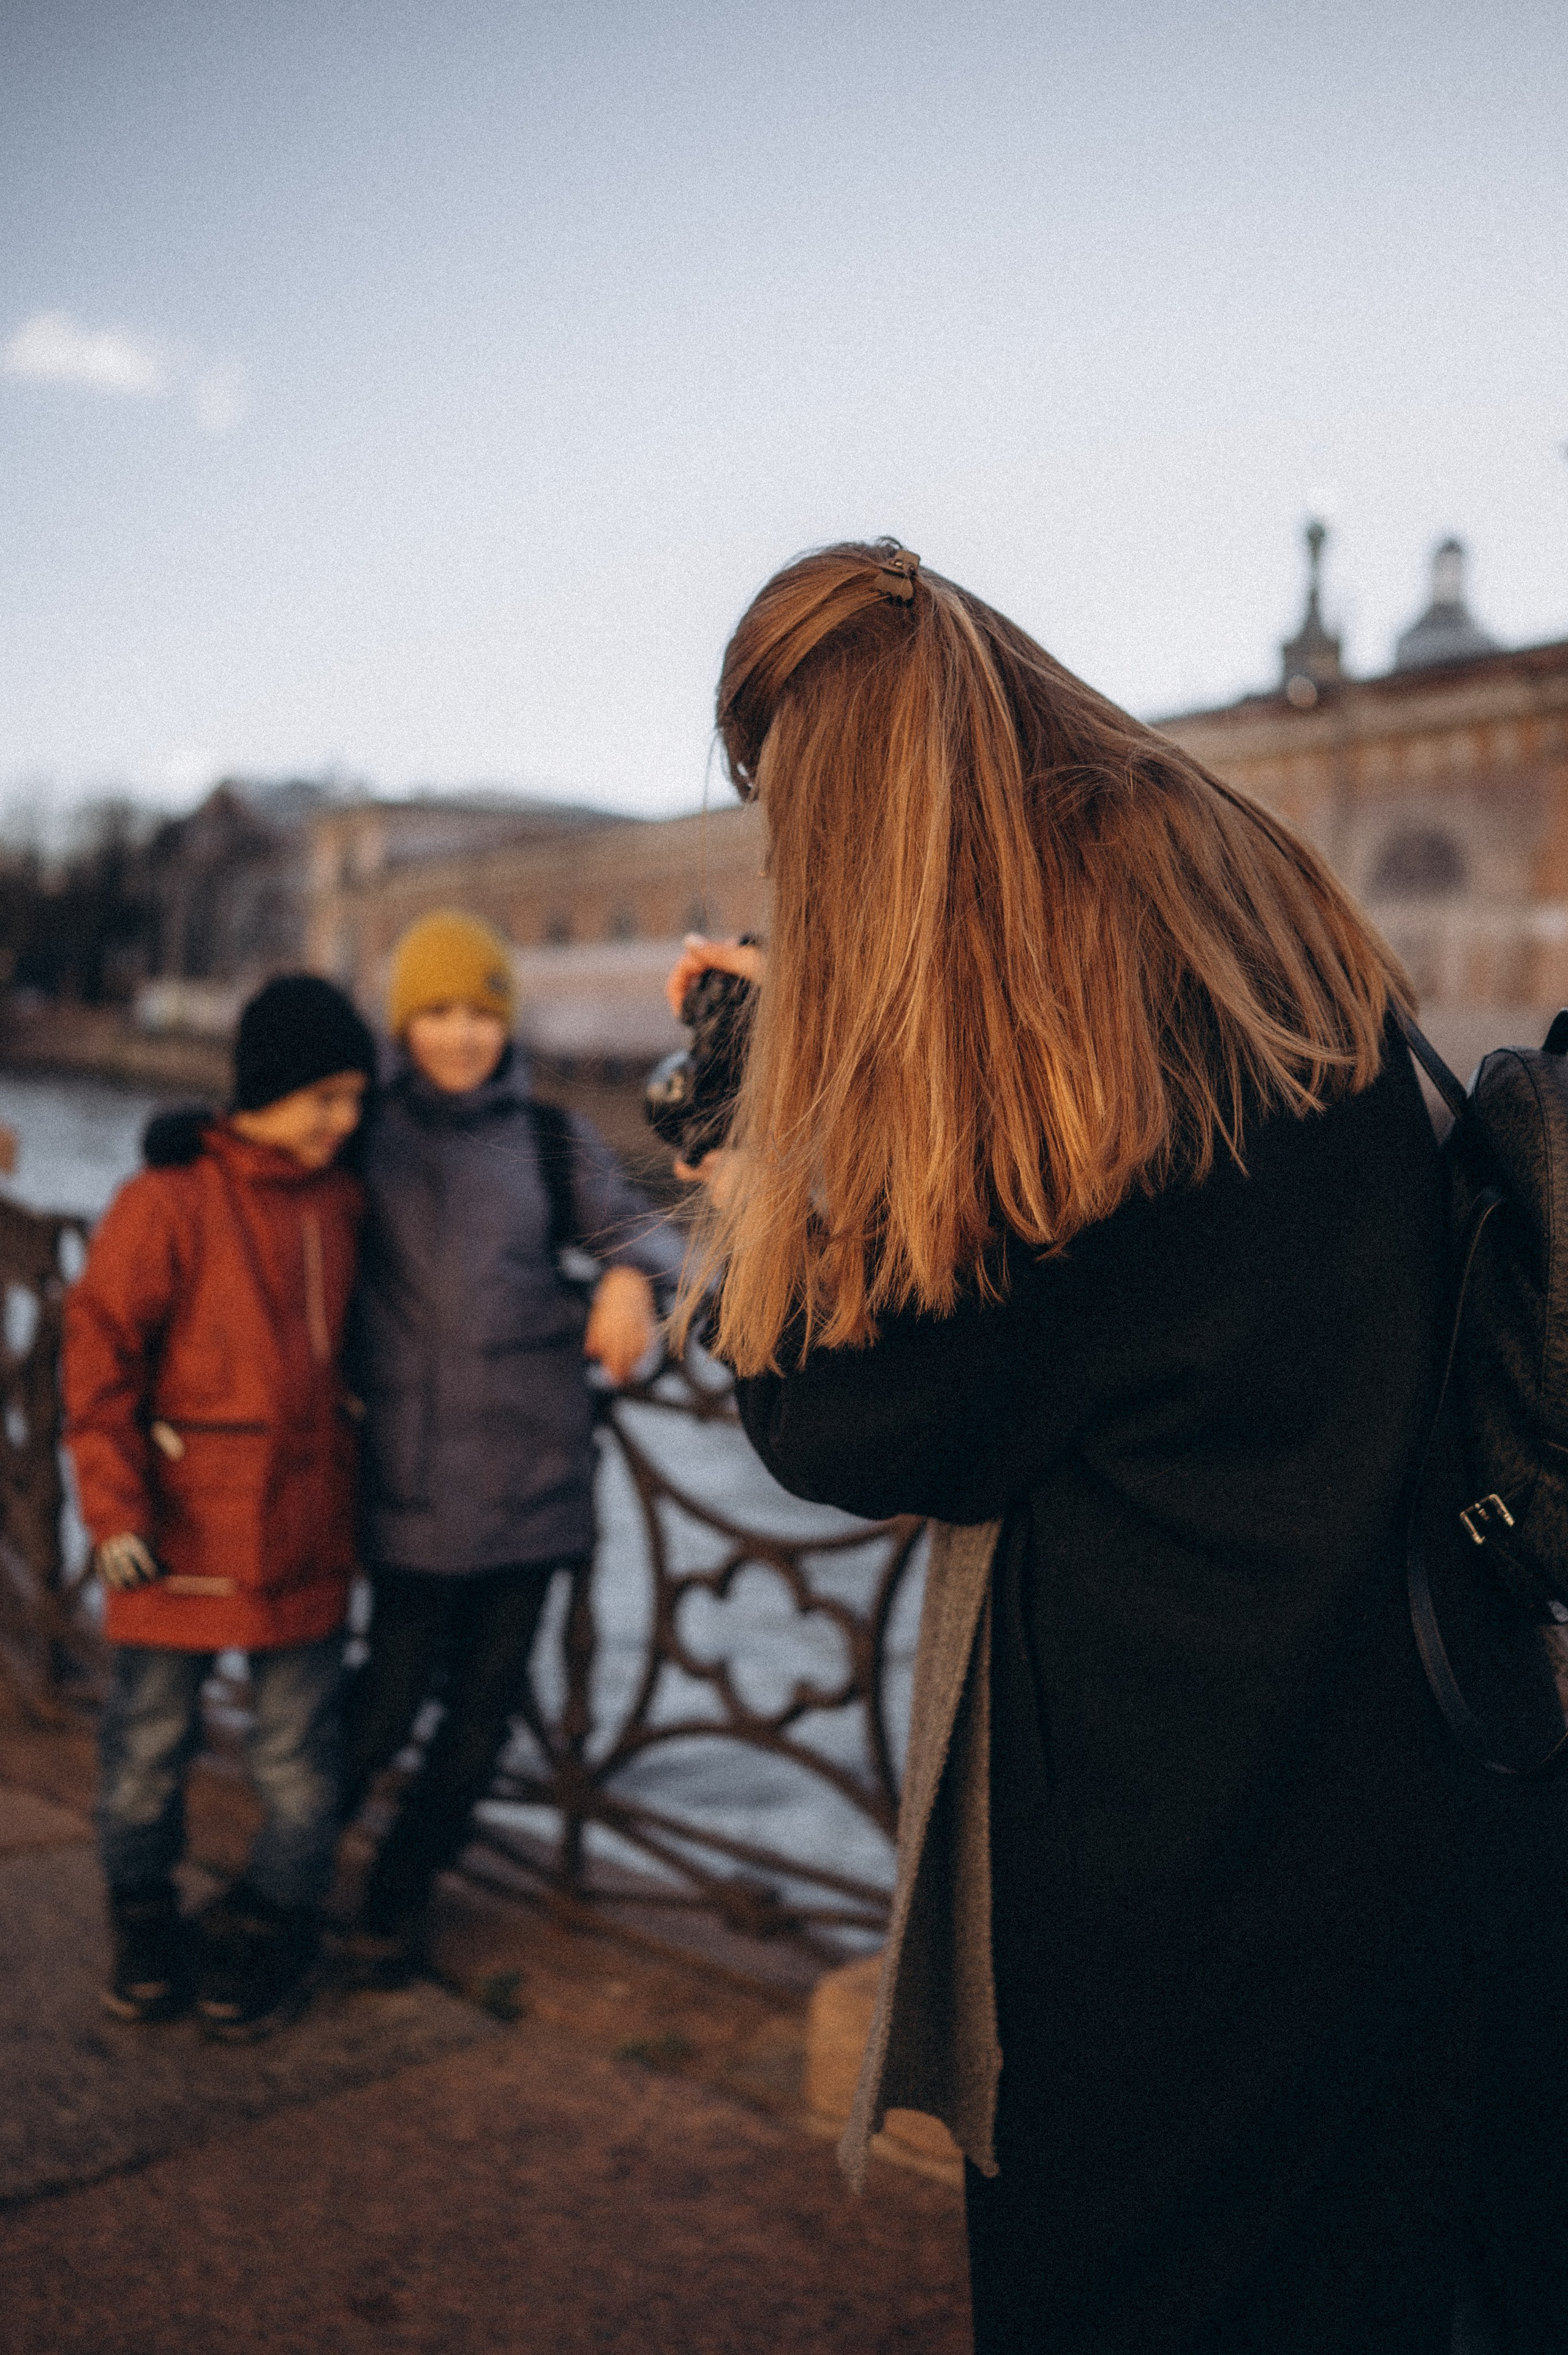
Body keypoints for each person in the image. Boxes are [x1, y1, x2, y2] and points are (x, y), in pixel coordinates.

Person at [669, 542, 1476, 2353]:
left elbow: (841, 1416)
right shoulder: (1238, 888)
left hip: (1164, 1832)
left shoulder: (1066, 1041)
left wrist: (739, 1117)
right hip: (1407, 1752)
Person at [341, 909, 683, 1978]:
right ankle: (287, 1879)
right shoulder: (362, 1133)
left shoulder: (546, 1136)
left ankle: (393, 1901)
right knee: (379, 1709)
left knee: (479, 1728)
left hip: (531, 1490)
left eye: (480, 1013)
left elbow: (653, 1234)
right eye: (436, 1012)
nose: (460, 1034)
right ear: (403, 1023)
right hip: (406, 1489)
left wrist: (629, 1279)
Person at [64, 974, 375, 2037]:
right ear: (267, 1091)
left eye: (355, 1099)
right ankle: (143, 1916)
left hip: (302, 1534)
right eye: (326, 1098)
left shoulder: (340, 1199)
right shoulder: (167, 1201)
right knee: (148, 1745)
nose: (346, 1120)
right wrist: (114, 1513)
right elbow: (98, 1365)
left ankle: (275, 1922)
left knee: (297, 1758)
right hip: (178, 1535)